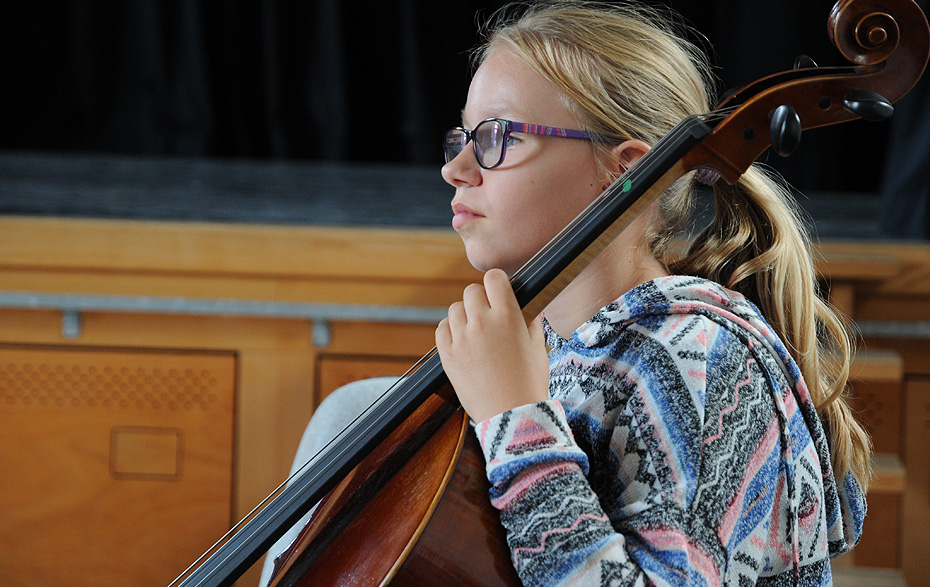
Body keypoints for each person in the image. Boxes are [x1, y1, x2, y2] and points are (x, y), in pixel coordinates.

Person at [433, 1, 870, 586]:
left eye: (497, 136)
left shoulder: (690, 361)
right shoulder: (561, 346)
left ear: (622, 171)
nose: (457, 168)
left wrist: (516, 423)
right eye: (462, 136)